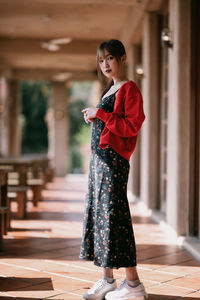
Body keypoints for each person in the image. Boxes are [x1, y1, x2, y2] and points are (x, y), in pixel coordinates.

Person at [79, 39, 147, 300]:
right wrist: (94, 114)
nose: (105, 64)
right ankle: (107, 279)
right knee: (101, 217)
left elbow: (131, 126)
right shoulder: (110, 89)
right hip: (99, 163)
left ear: (122, 58)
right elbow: (109, 121)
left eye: (109, 58)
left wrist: (102, 114)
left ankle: (133, 285)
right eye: (101, 60)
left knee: (115, 217)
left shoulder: (129, 89)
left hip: (113, 163)